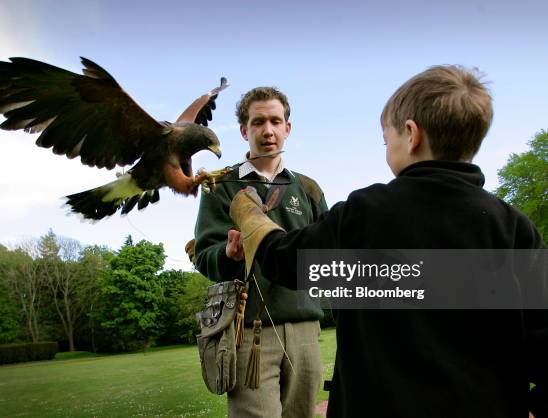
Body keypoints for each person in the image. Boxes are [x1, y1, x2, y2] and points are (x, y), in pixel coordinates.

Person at [229, 66, 547, 418]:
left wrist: (251, 217)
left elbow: (283, 261)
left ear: (411, 135)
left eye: (387, 140)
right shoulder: (516, 230)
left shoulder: (366, 213)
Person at [194, 87, 328, 417]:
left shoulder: (308, 188)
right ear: (244, 130)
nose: (268, 130)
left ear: (287, 128)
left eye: (275, 121)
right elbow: (203, 255)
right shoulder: (221, 185)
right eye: (258, 122)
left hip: (306, 330)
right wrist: (227, 255)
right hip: (248, 332)